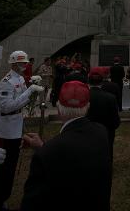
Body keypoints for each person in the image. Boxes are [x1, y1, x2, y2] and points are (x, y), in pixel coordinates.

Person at [20, 80, 112, 211]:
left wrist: (44, 150)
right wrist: (44, 147)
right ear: (88, 106)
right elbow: (75, 154)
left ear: (58, 108)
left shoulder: (47, 153)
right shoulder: (101, 132)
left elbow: (31, 203)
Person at [0, 50, 44, 211]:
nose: (24, 66)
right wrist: (30, 90)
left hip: (15, 125)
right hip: (5, 129)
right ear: (13, 64)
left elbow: (21, 102)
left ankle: (3, 197)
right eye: (21, 63)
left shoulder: (19, 78)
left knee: (10, 168)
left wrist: (32, 89)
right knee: (0, 168)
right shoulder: (6, 81)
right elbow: (7, 106)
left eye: (25, 63)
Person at [87, 67, 120, 160]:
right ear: (102, 81)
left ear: (88, 80)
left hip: (87, 132)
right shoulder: (111, 98)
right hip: (107, 132)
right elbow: (115, 122)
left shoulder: (83, 96)